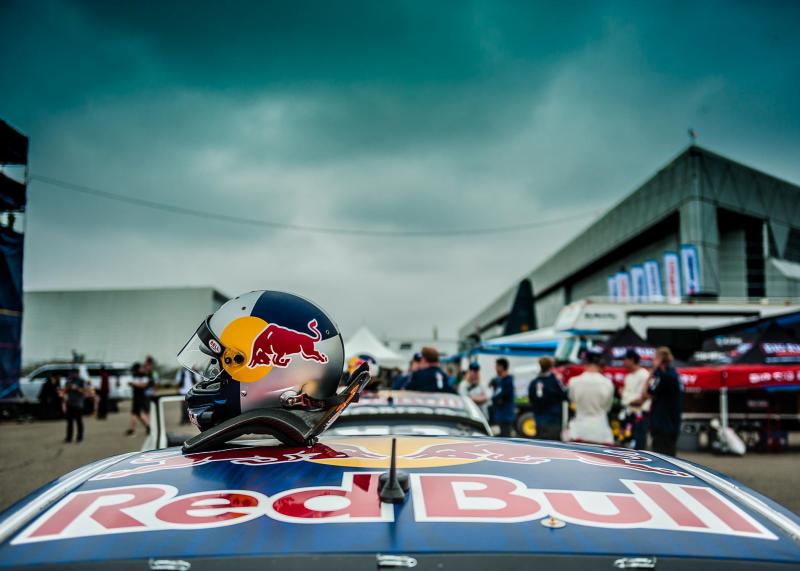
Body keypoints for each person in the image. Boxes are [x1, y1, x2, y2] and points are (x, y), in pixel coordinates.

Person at [636, 346, 683, 456]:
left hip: (663, 424)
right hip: (671, 423)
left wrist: (650, 375)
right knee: (668, 454)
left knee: (662, 456)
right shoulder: (673, 374)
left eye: (654, 358)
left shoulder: (664, 376)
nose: (652, 361)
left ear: (659, 359)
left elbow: (646, 393)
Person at [567, 349, 614, 444]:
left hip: (579, 430)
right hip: (601, 430)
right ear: (600, 364)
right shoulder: (607, 383)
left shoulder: (573, 382)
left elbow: (572, 400)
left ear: (585, 363)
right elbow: (607, 407)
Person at [528, 356, 566, 441]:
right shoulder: (554, 381)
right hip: (553, 419)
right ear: (551, 367)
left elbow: (531, 399)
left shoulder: (534, 382)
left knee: (541, 443)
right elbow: (564, 396)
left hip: (539, 419)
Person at [619, 349, 650, 449]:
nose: (623, 362)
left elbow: (640, 399)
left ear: (632, 360)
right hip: (628, 415)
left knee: (638, 448)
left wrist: (624, 396)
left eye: (624, 359)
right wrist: (627, 397)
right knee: (625, 446)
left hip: (640, 416)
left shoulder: (644, 374)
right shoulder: (628, 377)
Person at [490, 358, 516, 437]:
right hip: (500, 416)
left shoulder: (507, 381)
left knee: (505, 439)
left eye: (496, 366)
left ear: (501, 367)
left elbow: (500, 397)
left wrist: (495, 399)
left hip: (505, 417)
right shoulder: (500, 381)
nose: (495, 368)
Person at [126, 362, 150, 436]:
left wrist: (134, 384)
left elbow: (143, 385)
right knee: (134, 413)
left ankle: (148, 427)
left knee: (139, 413)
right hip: (136, 397)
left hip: (141, 397)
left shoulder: (144, 376)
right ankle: (133, 429)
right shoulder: (135, 376)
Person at [63, 370, 87, 443]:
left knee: (79, 421)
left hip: (78, 404)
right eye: (72, 373)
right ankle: (69, 438)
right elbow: (64, 391)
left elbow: (85, 391)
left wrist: (77, 388)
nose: (73, 375)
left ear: (78, 374)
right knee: (69, 422)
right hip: (70, 404)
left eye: (75, 373)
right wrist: (68, 387)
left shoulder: (81, 381)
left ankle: (79, 437)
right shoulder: (68, 381)